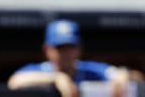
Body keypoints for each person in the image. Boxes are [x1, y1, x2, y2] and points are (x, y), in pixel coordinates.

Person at [8, 19, 144, 97]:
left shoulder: (91, 70)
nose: (66, 53)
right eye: (60, 48)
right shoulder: (40, 70)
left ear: (79, 48)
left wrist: (125, 74)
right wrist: (56, 78)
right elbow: (14, 82)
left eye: (70, 47)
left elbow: (138, 78)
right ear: (47, 50)